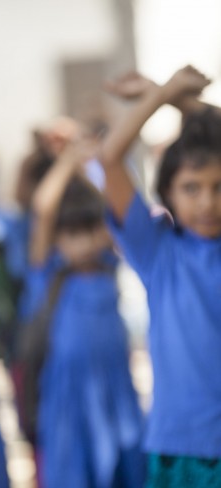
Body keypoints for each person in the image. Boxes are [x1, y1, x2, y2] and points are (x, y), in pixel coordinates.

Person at [99, 65, 221, 486]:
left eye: (218, 186)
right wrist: (165, 93)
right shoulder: (157, 251)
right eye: (192, 187)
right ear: (167, 192)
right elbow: (109, 157)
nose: (207, 201)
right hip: (178, 446)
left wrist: (172, 97)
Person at [18, 138, 144, 487]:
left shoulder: (109, 265)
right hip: (69, 401)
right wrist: (69, 160)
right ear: (58, 237)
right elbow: (44, 208)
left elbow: (111, 207)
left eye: (91, 230)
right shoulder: (51, 274)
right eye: (72, 233)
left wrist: (97, 166)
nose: (85, 241)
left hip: (116, 394)